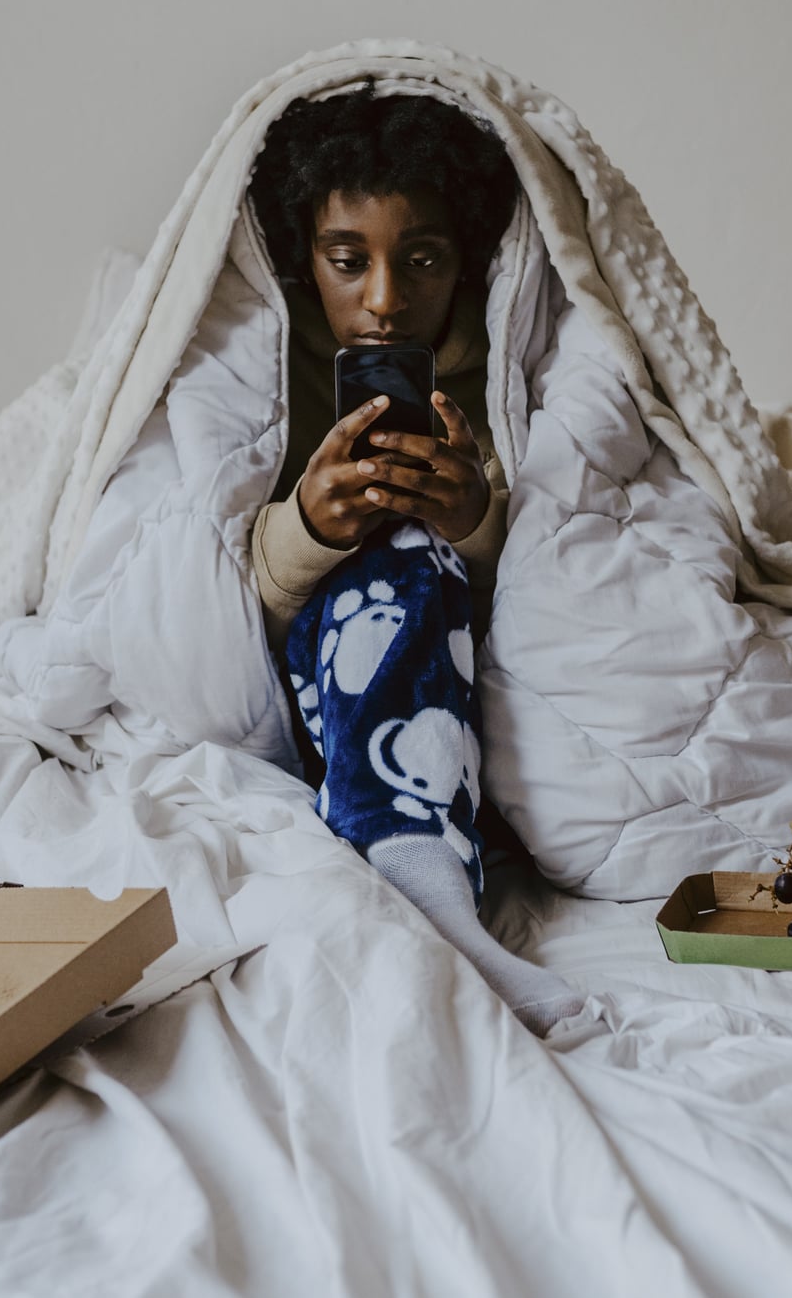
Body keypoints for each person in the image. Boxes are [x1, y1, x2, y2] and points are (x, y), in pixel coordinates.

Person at [247, 88, 585, 1033]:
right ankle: (434, 914)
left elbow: (574, 557)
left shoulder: (512, 370)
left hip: (470, 686)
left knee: (414, 546)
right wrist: (309, 526)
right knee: (391, 548)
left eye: (423, 260)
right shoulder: (263, 368)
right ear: (304, 256)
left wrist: (476, 520)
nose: (385, 300)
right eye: (347, 261)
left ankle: (426, 903)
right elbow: (213, 601)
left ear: (467, 261)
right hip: (319, 685)